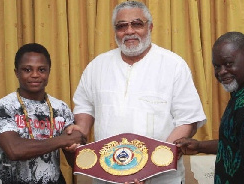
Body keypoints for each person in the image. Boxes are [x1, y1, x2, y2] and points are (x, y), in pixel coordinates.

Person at [69, 1, 207, 184]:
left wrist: (149, 166)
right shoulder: (97, 66)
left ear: (150, 27)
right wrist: (81, 131)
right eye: (121, 26)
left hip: (160, 177)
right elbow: (85, 106)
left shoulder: (173, 65)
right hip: (107, 176)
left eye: (137, 24)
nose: (129, 31)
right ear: (115, 31)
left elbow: (188, 120)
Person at [175, 32, 244, 184]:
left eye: (228, 64)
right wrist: (199, 146)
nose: (221, 71)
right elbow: (240, 143)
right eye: (217, 66)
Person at [0, 43, 86, 184]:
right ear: (17, 72)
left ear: (48, 72)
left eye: (41, 70)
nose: (35, 75)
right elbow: (14, 149)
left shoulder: (61, 108)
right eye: (27, 70)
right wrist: (63, 140)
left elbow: (77, 163)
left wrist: (77, 143)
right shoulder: (2, 107)